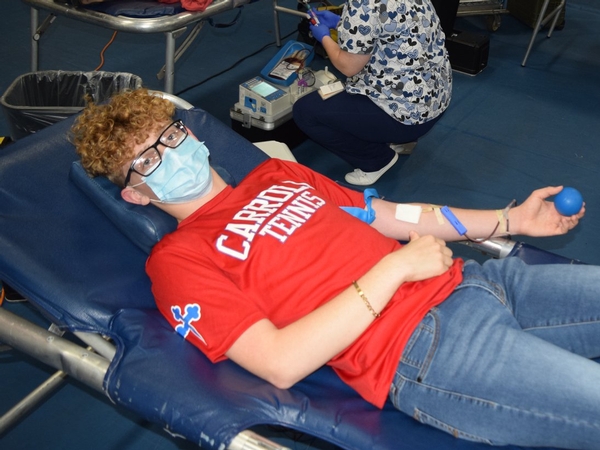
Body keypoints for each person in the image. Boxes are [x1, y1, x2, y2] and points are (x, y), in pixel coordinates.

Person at [72, 89, 600, 449]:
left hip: (481, 283)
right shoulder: (178, 261)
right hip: (422, 350)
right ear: (135, 193)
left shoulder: (277, 174)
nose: (168, 153)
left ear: (190, 133)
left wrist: (512, 219)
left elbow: (395, 216)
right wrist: (393, 273)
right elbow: (279, 362)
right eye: (145, 160)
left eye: (169, 136)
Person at [292, 0, 452, 186]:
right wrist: (341, 22)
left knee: (305, 111)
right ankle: (399, 139)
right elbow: (387, 26)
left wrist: (324, 37)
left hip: (405, 118)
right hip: (434, 99)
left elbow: (347, 66)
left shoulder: (362, 4)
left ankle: (375, 160)